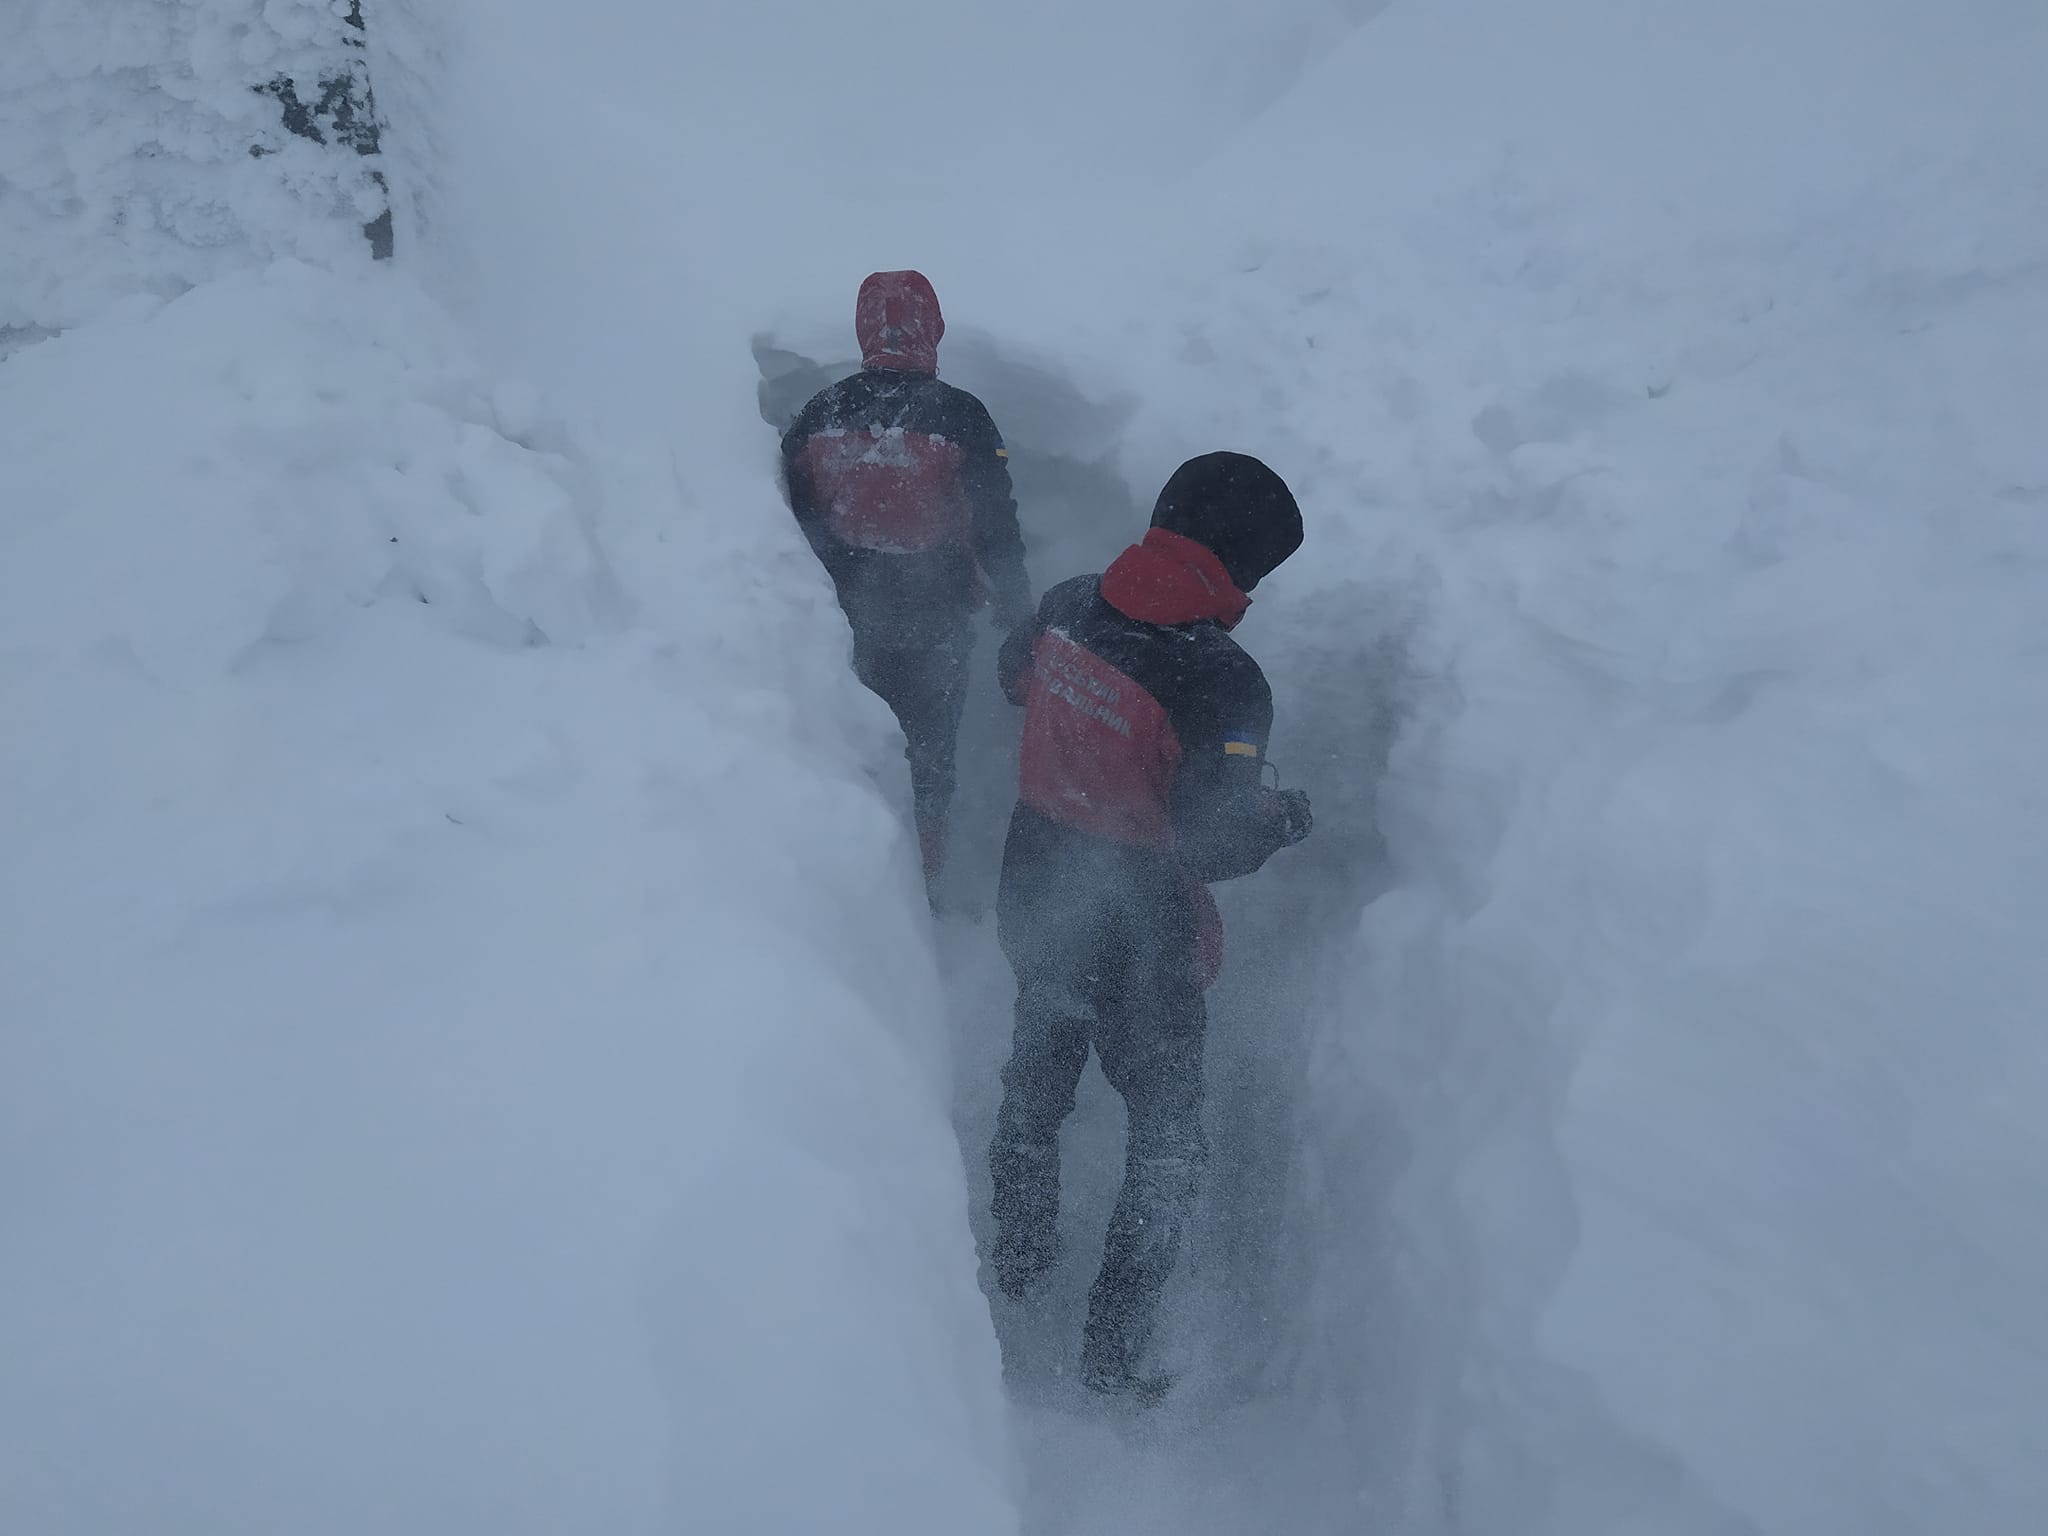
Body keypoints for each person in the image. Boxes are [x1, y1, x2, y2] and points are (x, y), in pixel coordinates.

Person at [985, 451, 1314, 1400]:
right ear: (1241, 565)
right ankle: (1111, 1354)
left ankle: (1019, 1260)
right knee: (1168, 1139)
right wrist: (1281, 819)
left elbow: (1013, 676)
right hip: (1141, 933)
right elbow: (1213, 842)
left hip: (1035, 885)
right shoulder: (1223, 679)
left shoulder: (1070, 602)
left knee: (1036, 1083)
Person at [780, 270, 1033, 885]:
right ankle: (923, 879)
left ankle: (856, 874)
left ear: (865, 329)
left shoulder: (821, 411)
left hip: (846, 615)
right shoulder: (961, 416)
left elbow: (794, 515)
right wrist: (1016, 605)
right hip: (935, 615)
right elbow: (994, 521)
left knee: (853, 745)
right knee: (929, 753)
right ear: (933, 328)